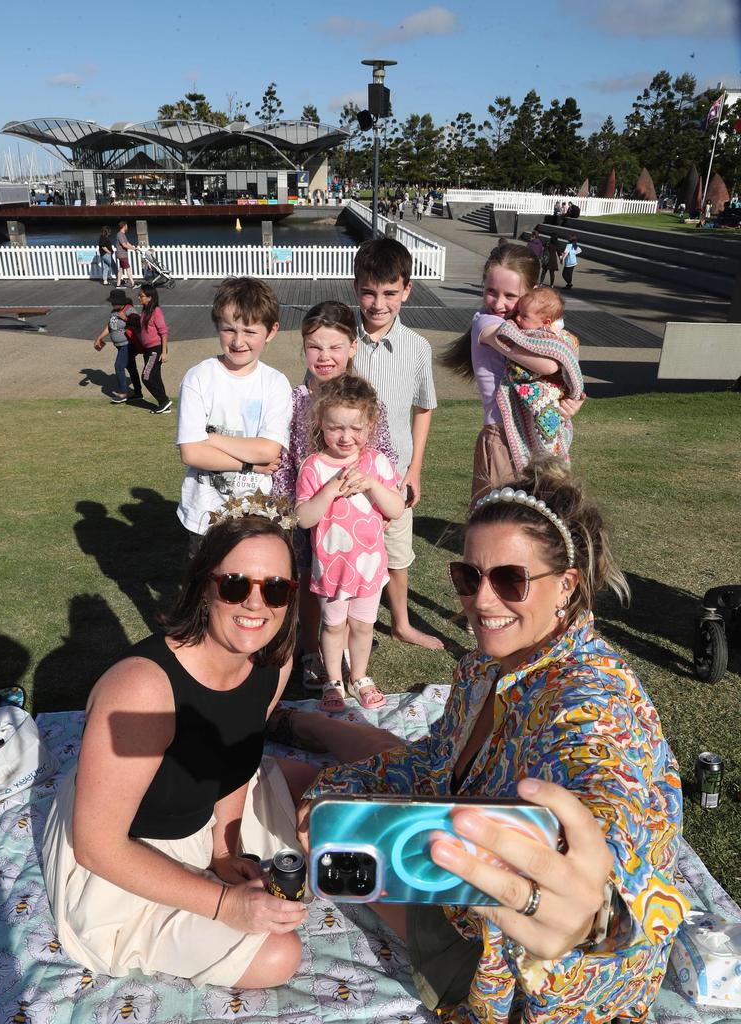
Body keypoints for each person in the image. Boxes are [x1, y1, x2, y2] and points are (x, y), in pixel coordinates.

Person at [291, 458, 688, 1024]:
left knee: (295, 786)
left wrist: (596, 917)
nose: (481, 600)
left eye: (510, 579)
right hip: (462, 898)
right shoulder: (483, 665)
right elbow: (434, 760)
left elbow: (610, 797)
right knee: (316, 793)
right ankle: (303, 727)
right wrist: (335, 789)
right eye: (468, 577)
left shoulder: (595, 697)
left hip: (512, 976)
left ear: (567, 586)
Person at [42, 506, 317, 989]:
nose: (256, 605)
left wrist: (223, 849)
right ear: (203, 586)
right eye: (235, 584)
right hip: (127, 851)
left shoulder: (273, 658)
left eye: (275, 588)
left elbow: (239, 757)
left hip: (202, 812)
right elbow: (97, 846)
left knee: (326, 799)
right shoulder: (142, 688)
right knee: (278, 956)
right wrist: (225, 904)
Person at [272, 301, 396, 692]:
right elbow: (286, 460)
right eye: (314, 347)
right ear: (303, 347)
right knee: (312, 582)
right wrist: (291, 511)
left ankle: (348, 662)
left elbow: (385, 453)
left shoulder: (367, 399)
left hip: (360, 520)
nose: (324, 357)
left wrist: (384, 499)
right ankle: (313, 653)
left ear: (352, 347)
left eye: (334, 347)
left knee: (353, 596)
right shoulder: (295, 400)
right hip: (310, 510)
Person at [439, 244, 584, 505]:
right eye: (491, 292)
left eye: (510, 296)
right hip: (501, 437)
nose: (499, 303)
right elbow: (549, 366)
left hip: (532, 434)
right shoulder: (489, 324)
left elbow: (555, 374)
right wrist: (560, 351)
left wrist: (570, 401)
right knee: (498, 519)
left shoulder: (523, 326)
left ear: (533, 292)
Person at [352, 238, 442, 651]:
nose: (378, 303)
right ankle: (351, 627)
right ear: (356, 287)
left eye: (390, 292)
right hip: (345, 470)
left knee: (397, 554)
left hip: (395, 475)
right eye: (369, 291)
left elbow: (423, 408)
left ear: (407, 290)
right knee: (349, 549)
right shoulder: (341, 338)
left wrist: (416, 470)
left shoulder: (418, 348)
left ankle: (401, 622)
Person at [295, 374, 404, 712]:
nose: (345, 437)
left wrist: (371, 484)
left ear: (370, 424)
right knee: (332, 626)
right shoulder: (313, 467)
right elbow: (303, 518)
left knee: (363, 625)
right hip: (331, 570)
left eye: (355, 428)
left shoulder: (378, 464)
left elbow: (397, 509)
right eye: (335, 428)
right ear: (320, 424)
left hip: (369, 568)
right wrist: (329, 489)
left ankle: (359, 676)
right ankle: (332, 681)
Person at [176, 277, 292, 557]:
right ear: (218, 326)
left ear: (271, 331)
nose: (238, 341)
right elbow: (191, 453)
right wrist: (251, 466)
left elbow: (268, 450)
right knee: (203, 595)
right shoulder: (199, 377)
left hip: (257, 515)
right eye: (229, 329)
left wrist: (211, 438)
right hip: (203, 517)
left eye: (250, 332)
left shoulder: (275, 383)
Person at [486, 287, 584, 471]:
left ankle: (549, 454)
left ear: (546, 322)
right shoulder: (506, 327)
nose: (517, 319)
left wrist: (575, 393)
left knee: (547, 416)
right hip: (532, 386)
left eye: (524, 316)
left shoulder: (555, 336)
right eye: (518, 313)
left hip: (552, 389)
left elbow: (559, 361)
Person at [93, 287, 137, 404]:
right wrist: (99, 337)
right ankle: (138, 392)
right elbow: (110, 326)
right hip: (120, 345)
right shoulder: (114, 312)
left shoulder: (130, 311)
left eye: (114, 302)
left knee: (119, 366)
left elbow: (137, 324)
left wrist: (126, 319)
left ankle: (123, 393)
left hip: (127, 345)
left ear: (121, 302)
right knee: (131, 368)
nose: (112, 303)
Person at [136, 283, 171, 414]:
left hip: (155, 350)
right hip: (148, 350)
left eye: (141, 296)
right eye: (138, 295)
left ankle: (164, 401)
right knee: (155, 377)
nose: (139, 298)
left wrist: (164, 352)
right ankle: (164, 404)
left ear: (150, 297)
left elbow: (163, 332)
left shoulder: (156, 311)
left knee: (146, 376)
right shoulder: (145, 310)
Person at [115, 220, 137, 290]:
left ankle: (118, 285)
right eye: (127, 226)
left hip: (122, 254)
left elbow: (127, 243)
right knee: (128, 269)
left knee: (121, 269)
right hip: (122, 254)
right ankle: (133, 284)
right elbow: (124, 245)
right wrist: (133, 248)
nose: (127, 227)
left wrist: (135, 248)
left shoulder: (123, 234)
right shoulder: (120, 234)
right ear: (124, 226)